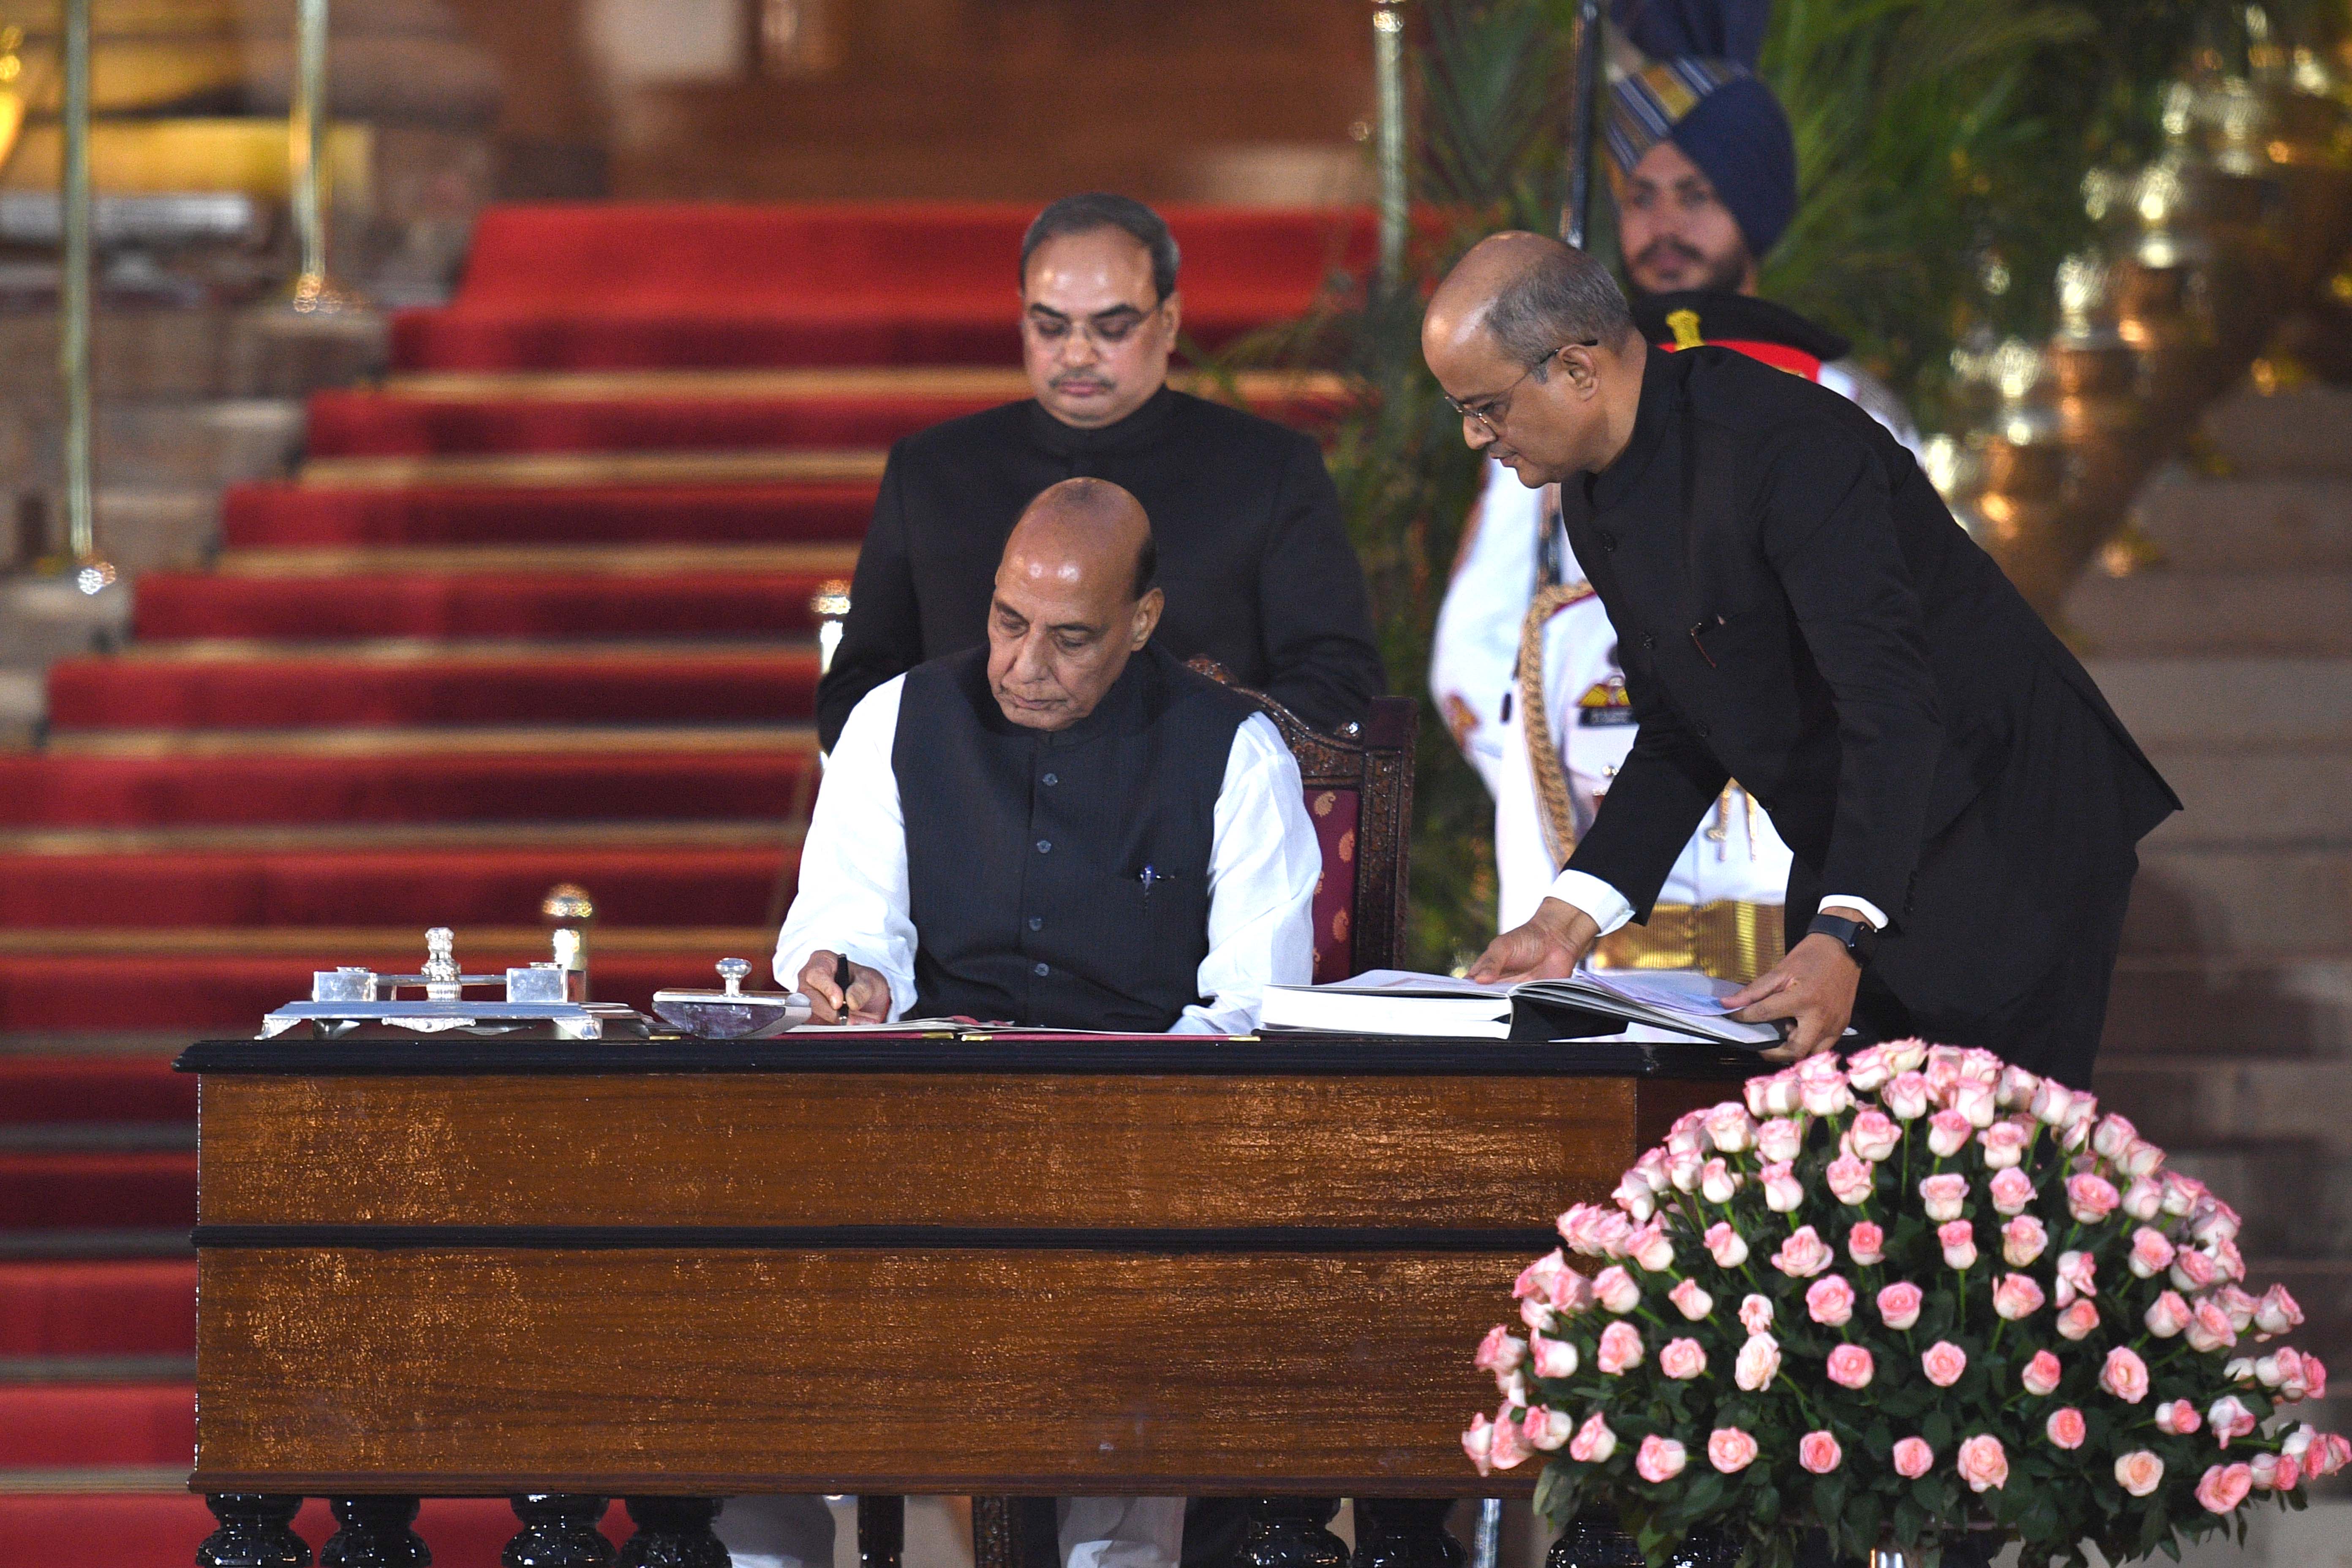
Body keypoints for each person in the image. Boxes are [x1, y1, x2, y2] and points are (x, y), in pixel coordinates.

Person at [727, 480, 1319, 1568]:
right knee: (737, 1302)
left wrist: (1111, 1120)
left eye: (1069, 638)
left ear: (1141, 622)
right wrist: (849, 973)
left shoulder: (1234, 753)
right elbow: (848, 922)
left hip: (1134, 1160)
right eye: (1008, 622)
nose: (1023, 664)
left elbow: (1256, 1008)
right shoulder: (896, 718)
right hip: (919, 1142)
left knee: (1129, 1302)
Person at [1421, 232, 2178, 1080]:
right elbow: (1680, 728)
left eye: (1485, 406)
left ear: (1576, 368)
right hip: (1865, 828)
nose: (1476, 436)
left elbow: (1891, 701)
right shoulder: (1593, 488)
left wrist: (1845, 928)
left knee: (1977, 1138)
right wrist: (1564, 921)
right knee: (1833, 1120)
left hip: (2003, 818)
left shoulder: (1785, 445)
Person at [1429, 63, 1919, 982]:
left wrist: (1844, 919)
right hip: (1617, 793)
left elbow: (1890, 683)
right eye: (1641, 196)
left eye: (1695, 195)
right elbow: (1493, 652)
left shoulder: (1821, 412)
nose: (1664, 225)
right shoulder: (1556, 435)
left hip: (1868, 852)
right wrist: (1556, 776)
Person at [814, 193, 1385, 751]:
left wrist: (1192, 762)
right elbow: (857, 692)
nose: (1078, 354)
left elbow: (1336, 685)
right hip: (969, 803)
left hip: (1193, 801)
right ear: (1022, 320)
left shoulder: (1267, 470)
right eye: (1050, 327)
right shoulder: (933, 471)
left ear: (1169, 321)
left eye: (1112, 328)